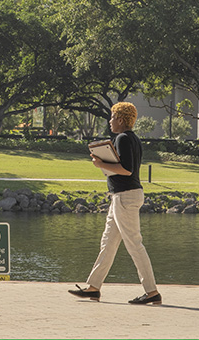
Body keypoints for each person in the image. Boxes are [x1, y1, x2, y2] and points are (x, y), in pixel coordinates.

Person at [69, 102, 161, 305]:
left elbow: (126, 170)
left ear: (120, 119)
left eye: (112, 117)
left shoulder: (122, 138)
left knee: (135, 245)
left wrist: (101, 164)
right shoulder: (133, 139)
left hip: (125, 196)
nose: (110, 121)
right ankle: (93, 287)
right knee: (108, 243)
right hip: (121, 196)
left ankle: (151, 291)